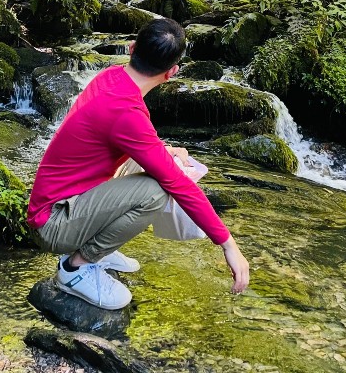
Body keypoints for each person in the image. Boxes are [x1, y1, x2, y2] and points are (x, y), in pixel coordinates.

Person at [28, 17, 249, 310]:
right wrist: (228, 244)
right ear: (173, 72)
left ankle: (96, 251)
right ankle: (76, 268)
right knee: (155, 192)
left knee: (162, 164)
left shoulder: (113, 78)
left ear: (131, 48)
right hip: (53, 222)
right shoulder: (125, 112)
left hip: (67, 201)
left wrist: (167, 151)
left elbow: (132, 144)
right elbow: (177, 184)